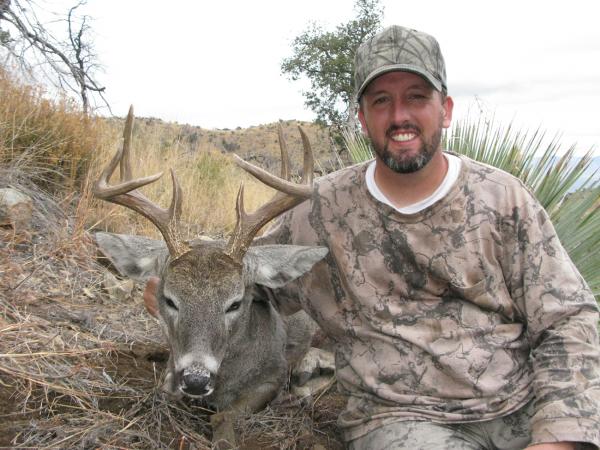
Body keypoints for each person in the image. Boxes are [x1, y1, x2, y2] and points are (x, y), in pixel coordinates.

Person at [145, 25, 600, 449]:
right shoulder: (319, 211)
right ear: (362, 118)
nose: (400, 116)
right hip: (402, 420)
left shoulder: (503, 198)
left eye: (417, 97)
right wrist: (174, 295)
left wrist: (560, 435)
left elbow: (569, 318)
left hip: (524, 403)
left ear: (445, 109)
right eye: (381, 101)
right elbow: (240, 283)